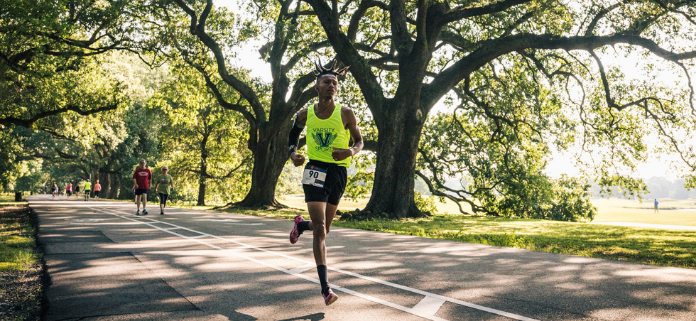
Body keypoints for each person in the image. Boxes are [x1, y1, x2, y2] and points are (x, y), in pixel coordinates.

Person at [287, 60, 363, 306]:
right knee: (320, 228)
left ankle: (301, 225)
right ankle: (325, 289)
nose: (331, 85)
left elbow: (360, 142)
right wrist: (292, 153)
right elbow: (293, 133)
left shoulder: (346, 113)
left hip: (338, 173)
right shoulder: (305, 113)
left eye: (334, 83)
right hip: (314, 169)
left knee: (324, 228)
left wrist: (350, 152)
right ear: (317, 87)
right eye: (326, 82)